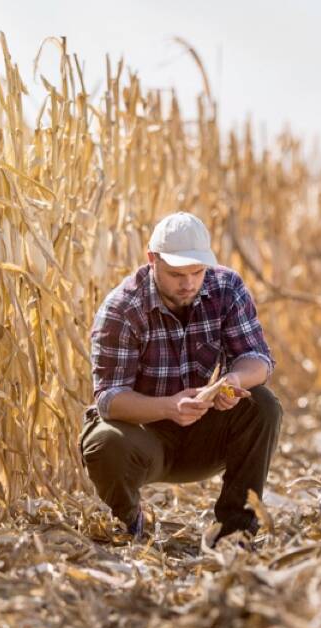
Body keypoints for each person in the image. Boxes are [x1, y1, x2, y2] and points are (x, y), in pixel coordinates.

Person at [79, 211, 281, 543]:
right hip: (145, 437)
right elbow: (109, 400)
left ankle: (235, 530)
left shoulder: (226, 287)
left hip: (203, 432)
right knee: (104, 441)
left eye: (196, 272)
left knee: (263, 404)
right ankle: (128, 522)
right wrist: (170, 407)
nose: (188, 283)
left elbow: (258, 360)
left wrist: (232, 381)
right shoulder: (122, 309)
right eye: (175, 274)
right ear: (151, 260)